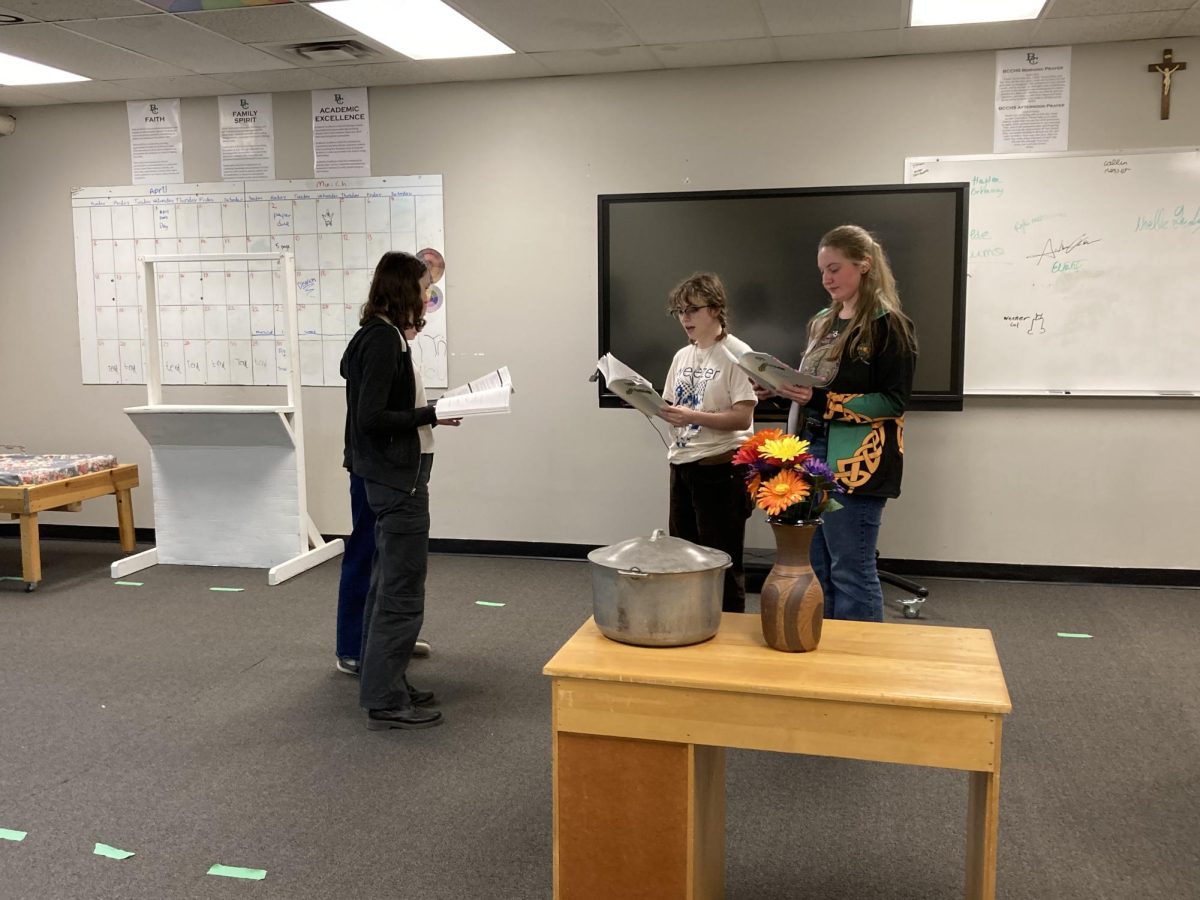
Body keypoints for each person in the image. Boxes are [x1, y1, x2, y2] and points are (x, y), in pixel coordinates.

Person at [755, 225, 917, 622]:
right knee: (818, 567)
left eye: (835, 268)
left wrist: (822, 400)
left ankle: (860, 668)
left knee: (852, 569)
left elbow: (892, 402)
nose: (826, 279)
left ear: (863, 266)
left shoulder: (889, 325)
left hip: (856, 460)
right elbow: (814, 383)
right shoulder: (822, 322)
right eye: (822, 271)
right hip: (809, 453)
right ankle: (826, 657)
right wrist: (778, 387)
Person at [341, 251, 460, 730]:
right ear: (402, 290)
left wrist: (430, 409)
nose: (427, 296)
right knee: (402, 590)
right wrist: (430, 414)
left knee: (387, 584)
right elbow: (373, 418)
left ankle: (387, 681)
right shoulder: (383, 341)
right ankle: (386, 696)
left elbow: (384, 405)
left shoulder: (382, 337)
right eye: (422, 287)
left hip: (391, 476)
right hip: (396, 480)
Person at [658, 272, 757, 612]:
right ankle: (691, 624)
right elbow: (673, 407)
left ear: (715, 310)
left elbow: (742, 417)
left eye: (692, 310)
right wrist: (645, 401)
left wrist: (693, 417)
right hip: (683, 464)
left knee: (722, 561)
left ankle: (729, 632)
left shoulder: (736, 354)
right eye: (679, 311)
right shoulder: (681, 356)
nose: (684, 318)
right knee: (683, 556)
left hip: (721, 468)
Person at [333, 475, 432, 677]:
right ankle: (353, 650)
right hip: (374, 465)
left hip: (400, 464)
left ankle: (388, 642)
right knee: (366, 547)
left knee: (395, 557)